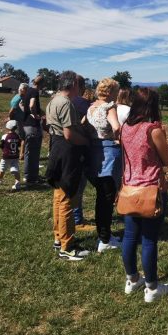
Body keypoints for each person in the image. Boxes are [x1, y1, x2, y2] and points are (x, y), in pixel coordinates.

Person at [120, 88, 168, 302]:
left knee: (130, 236)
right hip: (152, 190)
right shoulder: (153, 130)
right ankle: (152, 287)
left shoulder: (125, 127)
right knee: (149, 239)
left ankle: (132, 279)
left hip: (129, 188)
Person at [45, 71, 90, 261]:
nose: (81, 89)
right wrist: (86, 141)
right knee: (66, 199)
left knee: (58, 196)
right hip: (66, 151)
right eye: (79, 86)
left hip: (55, 147)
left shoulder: (53, 100)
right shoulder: (66, 103)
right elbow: (69, 135)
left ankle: (58, 237)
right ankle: (67, 246)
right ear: (72, 85)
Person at [85, 77, 122, 253]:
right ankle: (105, 240)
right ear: (111, 92)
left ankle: (104, 235)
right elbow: (116, 127)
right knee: (107, 198)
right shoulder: (109, 107)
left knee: (101, 197)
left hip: (94, 152)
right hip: (108, 152)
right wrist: (119, 137)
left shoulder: (91, 107)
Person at [70, 74, 94, 231]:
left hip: (64, 149)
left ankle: (74, 216)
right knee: (78, 185)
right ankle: (77, 219)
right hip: (79, 148)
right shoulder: (83, 104)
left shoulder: (64, 102)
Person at [21, 75, 45, 185]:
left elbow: (24, 105)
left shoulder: (29, 90)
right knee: (34, 153)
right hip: (32, 126)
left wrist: (40, 112)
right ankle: (32, 178)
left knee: (28, 152)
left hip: (25, 125)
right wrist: (36, 115)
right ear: (42, 84)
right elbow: (31, 105)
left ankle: (29, 175)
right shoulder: (35, 92)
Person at [0, 120, 22, 191]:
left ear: (8, 127)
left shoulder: (5, 136)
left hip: (6, 156)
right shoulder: (17, 136)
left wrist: (3, 150)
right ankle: (18, 183)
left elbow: (1, 145)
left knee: (2, 167)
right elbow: (19, 144)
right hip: (15, 155)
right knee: (15, 167)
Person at [10, 83, 28, 160]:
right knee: (23, 137)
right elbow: (12, 110)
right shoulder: (19, 98)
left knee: (18, 137)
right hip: (20, 120)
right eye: (26, 89)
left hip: (18, 119)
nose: (27, 91)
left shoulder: (17, 96)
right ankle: (21, 154)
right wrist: (10, 118)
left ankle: (14, 152)